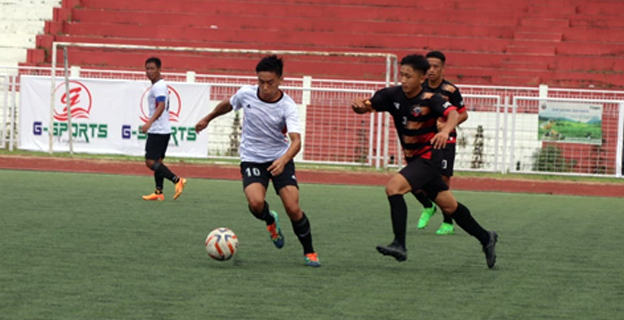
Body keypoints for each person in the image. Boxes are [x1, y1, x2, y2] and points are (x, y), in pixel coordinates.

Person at [351, 54, 497, 269]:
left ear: (421, 78)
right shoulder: (392, 95)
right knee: (450, 206)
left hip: (430, 158)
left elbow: (455, 114)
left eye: (408, 76)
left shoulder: (431, 99)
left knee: (394, 188)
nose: (404, 80)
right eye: (402, 75)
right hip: (415, 161)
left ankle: (399, 244)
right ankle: (487, 237)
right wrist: (358, 106)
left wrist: (446, 130)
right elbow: (366, 105)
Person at [194, 55, 320, 267]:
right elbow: (228, 104)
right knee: (255, 203)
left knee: (293, 208)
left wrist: (284, 159)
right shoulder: (247, 94)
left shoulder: (287, 106)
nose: (265, 87)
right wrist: (208, 118)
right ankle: (270, 220)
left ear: (281, 80)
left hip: (280, 158)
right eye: (261, 82)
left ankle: (310, 251)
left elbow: (296, 141)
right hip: (252, 158)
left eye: (270, 82)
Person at [413, 50, 468, 235]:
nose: (431, 70)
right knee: (413, 179)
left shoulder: (450, 90)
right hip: (423, 141)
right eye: (429, 66)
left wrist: (446, 124)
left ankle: (448, 222)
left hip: (446, 141)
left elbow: (463, 114)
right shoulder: (420, 89)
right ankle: (428, 206)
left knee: (443, 182)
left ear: (443, 69)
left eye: (436, 66)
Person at [141, 57, 187, 201]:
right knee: (158, 162)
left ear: (159, 69)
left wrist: (149, 123)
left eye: (152, 68)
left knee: (150, 162)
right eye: (147, 69)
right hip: (163, 130)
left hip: (158, 130)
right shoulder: (160, 85)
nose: (149, 72)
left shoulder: (158, 86)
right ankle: (158, 192)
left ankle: (177, 180)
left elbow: (161, 105)